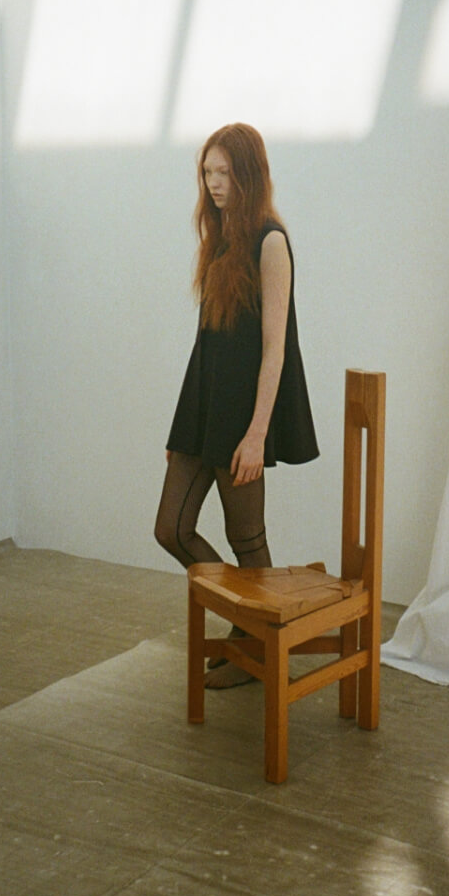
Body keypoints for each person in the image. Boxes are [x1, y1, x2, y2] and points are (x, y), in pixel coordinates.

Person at [155, 122, 319, 687]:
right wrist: (182, 428)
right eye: (208, 171)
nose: (214, 183)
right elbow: (206, 345)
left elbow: (276, 349)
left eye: (224, 172)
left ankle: (257, 648)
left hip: (242, 416)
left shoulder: (270, 241)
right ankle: (247, 623)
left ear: (249, 174)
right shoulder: (220, 237)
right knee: (171, 529)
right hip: (203, 412)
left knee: (247, 540)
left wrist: (256, 435)